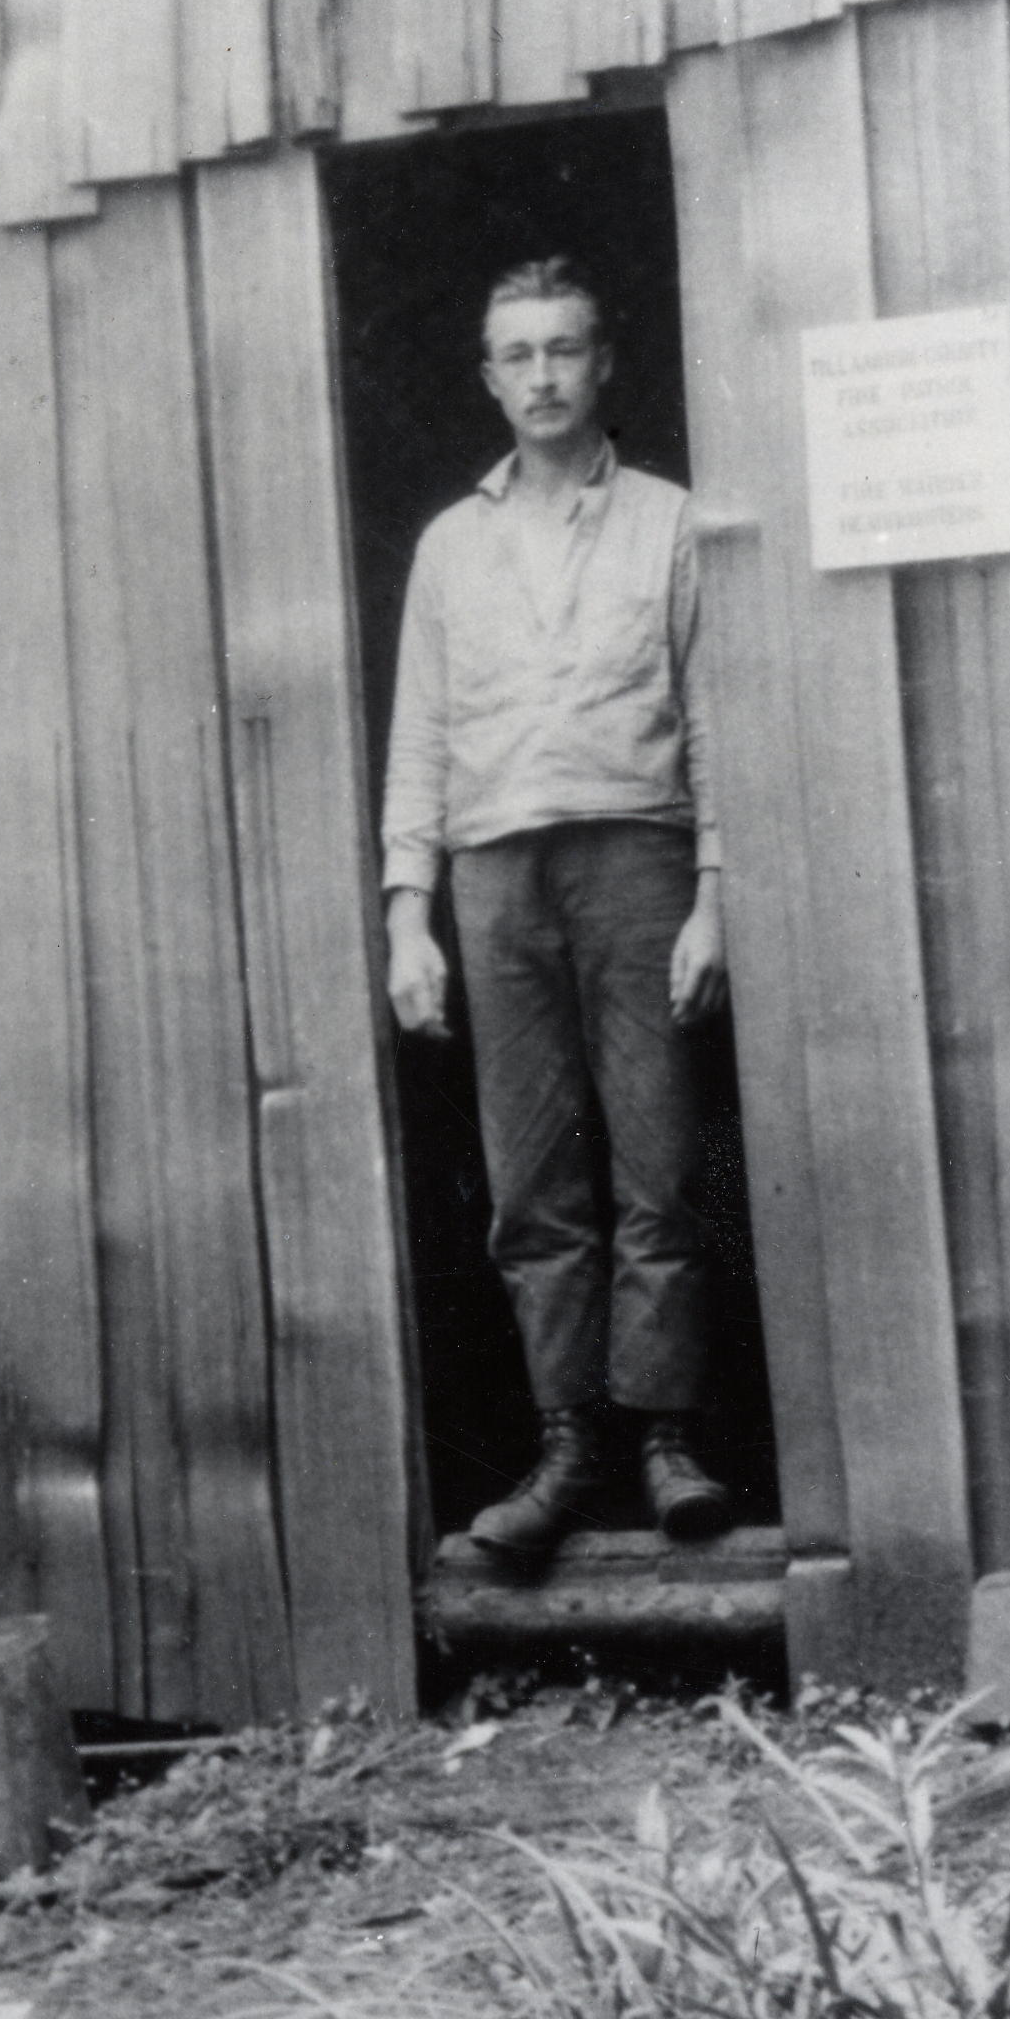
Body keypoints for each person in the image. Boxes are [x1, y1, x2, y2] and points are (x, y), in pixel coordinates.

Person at [381, 257, 731, 1567]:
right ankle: (570, 1446)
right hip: (494, 875)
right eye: (517, 353)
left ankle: (666, 1441)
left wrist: (717, 894)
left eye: (565, 349)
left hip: (636, 857)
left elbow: (715, 717)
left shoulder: (670, 521)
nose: (542, 375)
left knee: (658, 1157)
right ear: (489, 376)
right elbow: (418, 734)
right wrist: (407, 910)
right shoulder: (449, 547)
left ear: (603, 363)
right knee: (532, 1179)